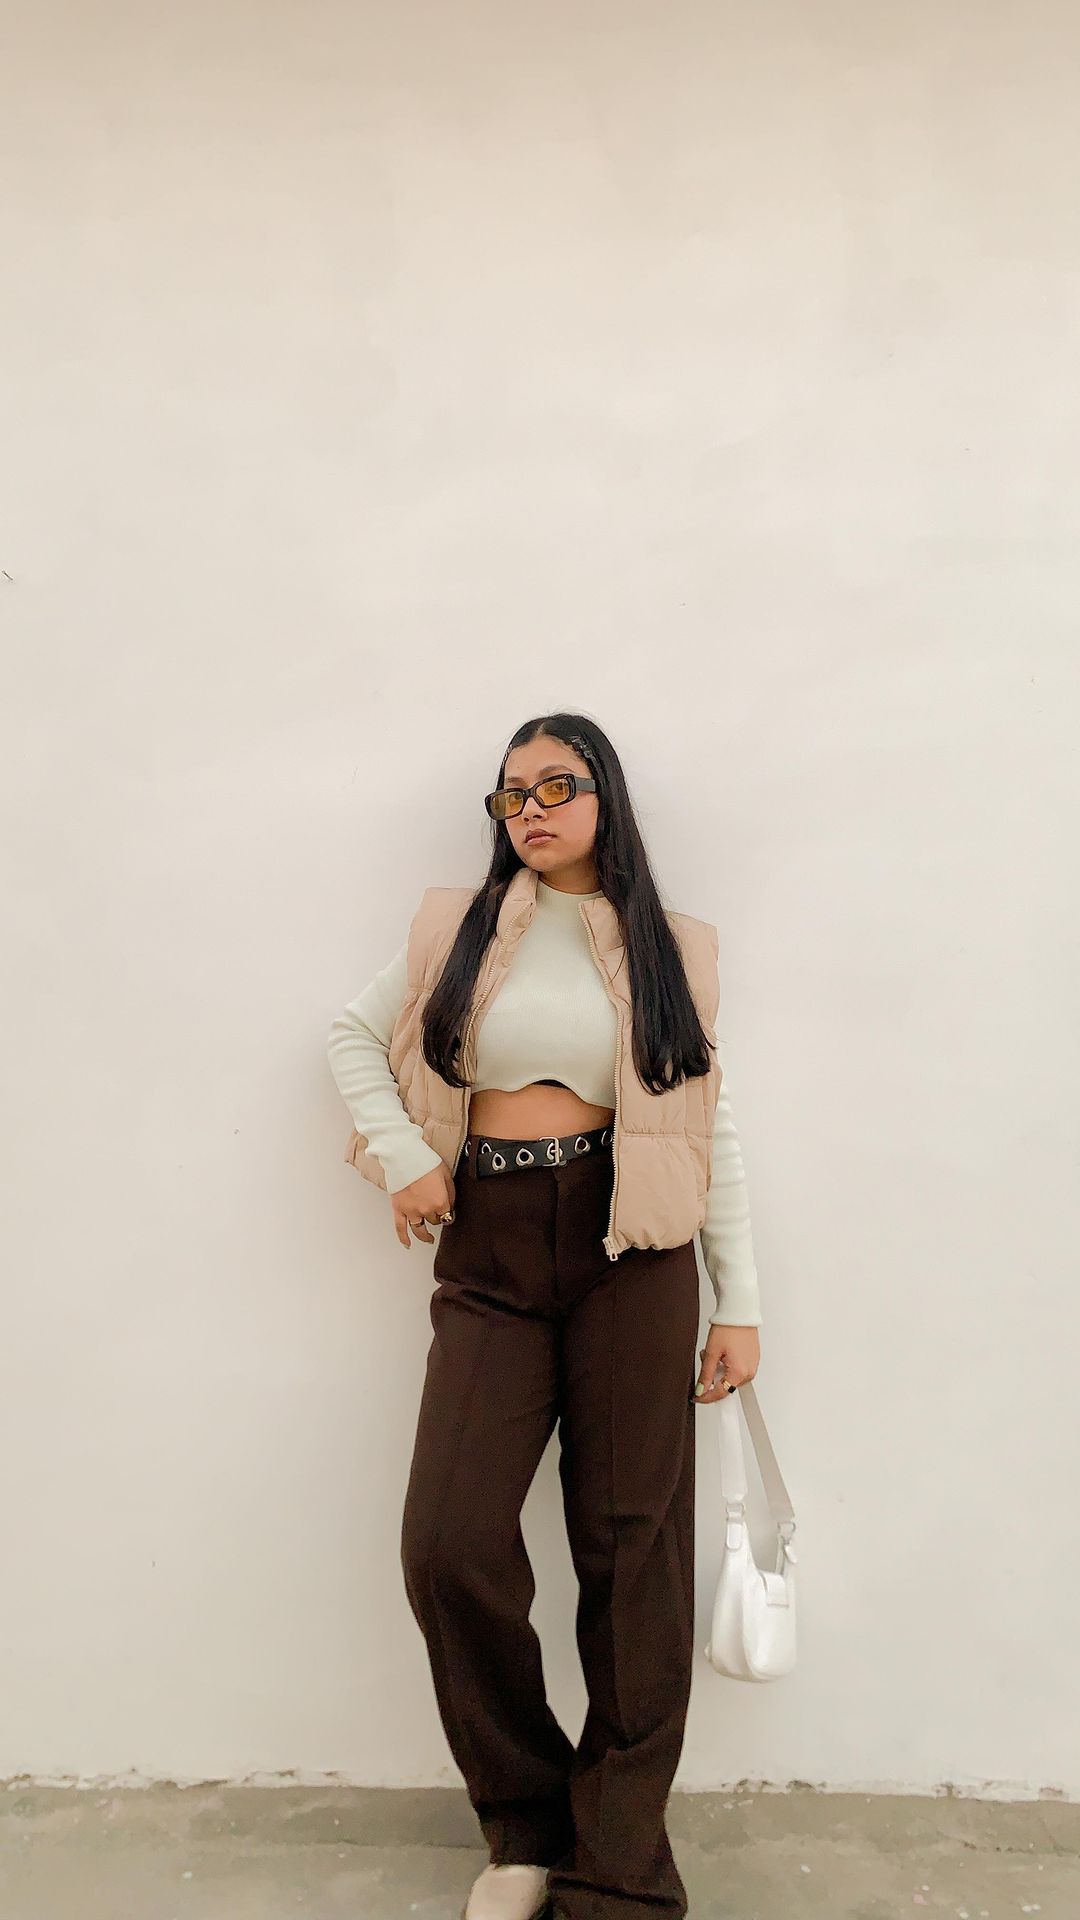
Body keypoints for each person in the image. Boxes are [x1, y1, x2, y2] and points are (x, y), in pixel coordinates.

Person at [326, 715, 763, 1920]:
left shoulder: (671, 948)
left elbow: (709, 1126)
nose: (531, 808)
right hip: (491, 1243)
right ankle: (526, 1823)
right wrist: (405, 1155)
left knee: (632, 1552)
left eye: (558, 785)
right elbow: (352, 1035)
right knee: (447, 1542)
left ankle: (619, 1869)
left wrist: (741, 1301)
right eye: (512, 793)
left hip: (635, 1252)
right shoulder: (457, 929)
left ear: (605, 796)